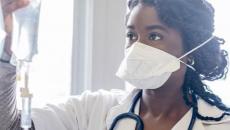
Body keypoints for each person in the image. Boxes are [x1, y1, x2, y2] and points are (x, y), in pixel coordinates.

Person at [0, 0, 230, 129]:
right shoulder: (94, 109)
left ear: (191, 48)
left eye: (154, 36)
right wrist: (10, 47)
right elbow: (9, 126)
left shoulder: (222, 124)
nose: (136, 47)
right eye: (131, 36)